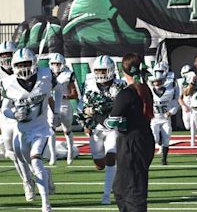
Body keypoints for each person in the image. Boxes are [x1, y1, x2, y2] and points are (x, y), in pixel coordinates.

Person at [0, 48, 54, 212]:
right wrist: (15, 115)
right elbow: (4, 109)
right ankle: (35, 180)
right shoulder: (9, 83)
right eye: (20, 64)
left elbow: (58, 90)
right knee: (25, 161)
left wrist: (56, 111)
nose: (23, 67)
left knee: (36, 162)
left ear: (34, 63)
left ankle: (46, 204)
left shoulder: (47, 75)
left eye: (26, 63)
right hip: (22, 130)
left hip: (41, 128)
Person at [106, 53, 154, 212]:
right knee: (120, 188)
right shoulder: (145, 89)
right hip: (143, 140)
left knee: (133, 192)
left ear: (123, 70)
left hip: (132, 144)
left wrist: (95, 114)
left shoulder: (127, 93)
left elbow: (112, 122)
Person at [77, 55, 126, 205]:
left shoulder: (120, 85)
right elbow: (82, 106)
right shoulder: (90, 84)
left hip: (113, 127)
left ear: (111, 70)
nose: (100, 74)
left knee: (111, 155)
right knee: (99, 163)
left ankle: (106, 195)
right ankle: (109, 169)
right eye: (97, 71)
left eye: (103, 71)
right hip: (96, 128)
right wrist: (86, 118)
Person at [47, 53, 78, 165]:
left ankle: (70, 153)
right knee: (51, 129)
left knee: (67, 130)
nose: (55, 66)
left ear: (63, 64)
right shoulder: (47, 74)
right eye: (53, 63)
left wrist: (63, 96)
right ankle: (52, 155)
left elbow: (74, 94)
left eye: (58, 64)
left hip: (64, 105)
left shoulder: (67, 74)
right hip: (52, 105)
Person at [147, 63, 179, 165]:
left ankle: (164, 159)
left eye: (159, 81)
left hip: (165, 118)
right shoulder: (149, 91)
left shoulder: (170, 90)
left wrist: (171, 112)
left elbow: (175, 103)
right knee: (155, 139)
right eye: (155, 81)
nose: (156, 83)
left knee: (167, 137)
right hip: (155, 118)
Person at [177, 64, 196, 146]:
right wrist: (183, 106)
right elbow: (179, 97)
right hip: (186, 105)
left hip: (194, 105)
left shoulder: (196, 81)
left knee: (193, 124)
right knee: (187, 126)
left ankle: (193, 141)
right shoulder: (180, 82)